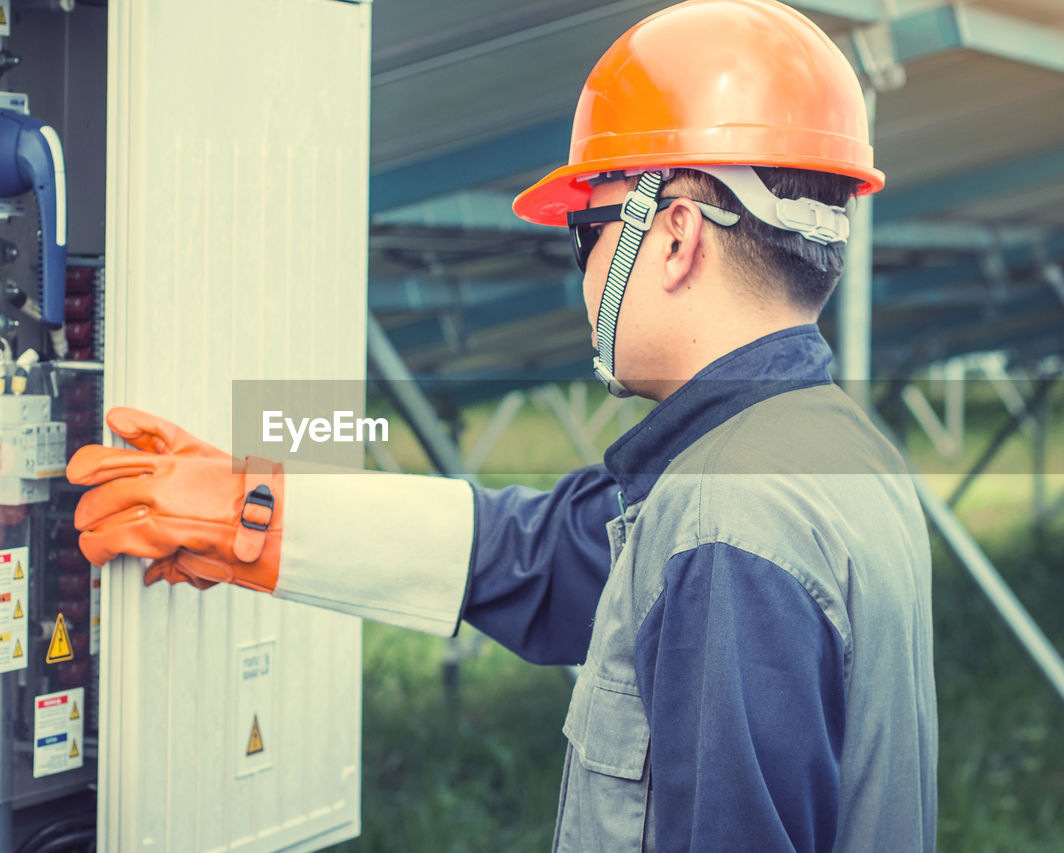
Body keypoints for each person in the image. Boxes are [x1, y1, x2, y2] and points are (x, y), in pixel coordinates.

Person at [67, 0, 937, 849]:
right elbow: (541, 554)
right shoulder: (825, 451)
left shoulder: (728, 523)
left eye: (585, 235)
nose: (586, 279)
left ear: (673, 237)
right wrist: (254, 515)